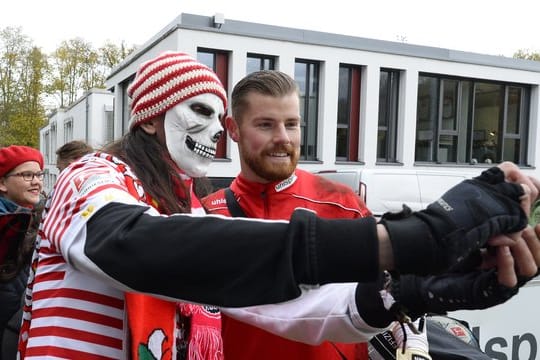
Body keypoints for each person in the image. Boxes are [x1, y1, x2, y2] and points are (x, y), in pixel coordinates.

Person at [16, 51, 537, 360]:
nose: (210, 133)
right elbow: (132, 246)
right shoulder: (93, 175)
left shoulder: (187, 212)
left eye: (216, 115)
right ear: (149, 117)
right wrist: (409, 237)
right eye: (197, 111)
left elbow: (289, 309)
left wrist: (411, 290)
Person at [202, 70, 540, 359]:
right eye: (265, 124)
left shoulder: (342, 202)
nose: (283, 138)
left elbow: (396, 289)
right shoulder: (206, 216)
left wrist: (414, 346)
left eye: (292, 124)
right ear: (233, 128)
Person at [0, 145, 44, 358]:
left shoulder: (42, 218)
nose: (36, 181)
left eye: (38, 174)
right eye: (27, 175)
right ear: (2, 183)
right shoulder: (9, 225)